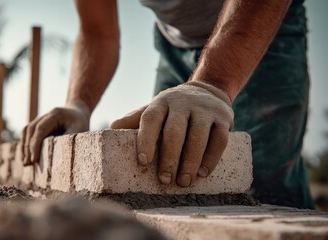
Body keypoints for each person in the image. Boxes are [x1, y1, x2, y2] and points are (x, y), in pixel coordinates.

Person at [20, 0, 314, 209]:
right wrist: (79, 104)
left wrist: (211, 84)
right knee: (162, 175)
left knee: (265, 185)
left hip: (260, 25)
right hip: (174, 40)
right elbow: (98, 31)